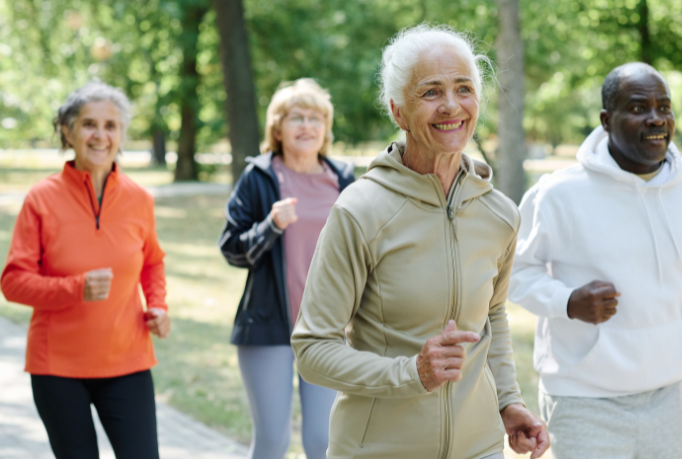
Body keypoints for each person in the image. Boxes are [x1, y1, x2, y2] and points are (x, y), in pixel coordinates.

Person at [291, 25, 550, 459]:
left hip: (479, 448)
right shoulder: (361, 211)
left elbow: (492, 316)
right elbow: (313, 350)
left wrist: (508, 401)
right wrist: (411, 372)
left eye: (463, 88)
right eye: (430, 92)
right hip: (377, 450)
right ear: (398, 111)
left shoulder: (499, 213)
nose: (451, 105)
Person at [509, 62, 682, 459]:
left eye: (664, 107)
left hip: (666, 396)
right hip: (583, 400)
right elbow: (514, 273)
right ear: (606, 120)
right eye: (638, 108)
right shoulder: (557, 193)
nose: (656, 119)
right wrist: (567, 301)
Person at [0, 81, 170, 459]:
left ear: (121, 134)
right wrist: (74, 288)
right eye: (89, 124)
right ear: (68, 130)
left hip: (128, 362)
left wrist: (158, 305)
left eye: (111, 126)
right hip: (57, 368)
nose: (100, 135)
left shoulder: (139, 199)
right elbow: (12, 283)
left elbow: (152, 261)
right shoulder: (41, 198)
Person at [218, 78, 355, 459]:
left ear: (326, 127)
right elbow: (231, 248)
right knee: (272, 442)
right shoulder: (261, 177)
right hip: (268, 326)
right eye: (297, 117)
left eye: (316, 117)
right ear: (278, 128)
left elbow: (367, 251)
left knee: (323, 442)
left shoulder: (343, 180)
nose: (307, 126)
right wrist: (270, 226)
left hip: (328, 329)